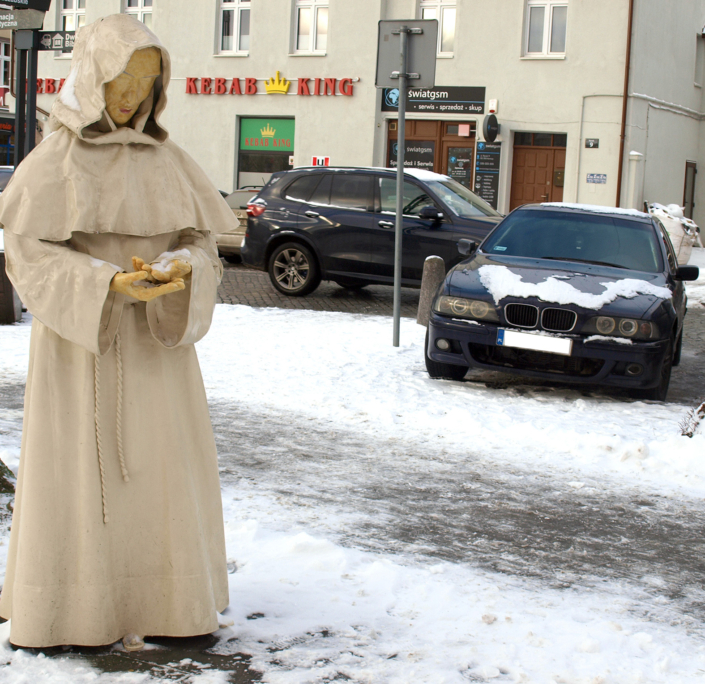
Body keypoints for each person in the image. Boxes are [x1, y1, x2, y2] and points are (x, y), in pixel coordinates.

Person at [0, 14, 237, 650]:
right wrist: (106, 283)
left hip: (159, 353)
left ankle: (172, 603)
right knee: (78, 476)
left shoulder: (172, 161)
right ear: (92, 73)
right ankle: (70, 613)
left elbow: (201, 243)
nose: (132, 94)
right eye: (121, 78)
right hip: (83, 351)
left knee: (164, 475)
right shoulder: (55, 160)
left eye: (147, 81)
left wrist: (179, 268)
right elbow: (27, 254)